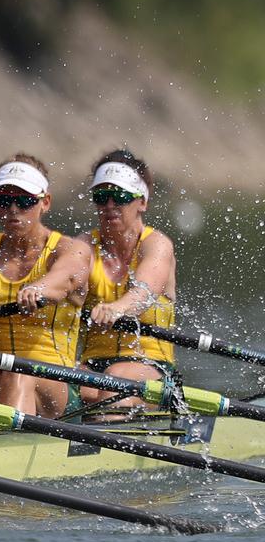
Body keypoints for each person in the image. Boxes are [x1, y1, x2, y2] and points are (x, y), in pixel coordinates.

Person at [0, 155, 91, 418]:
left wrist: (39, 290)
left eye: (24, 200)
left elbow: (66, 278)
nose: (13, 209)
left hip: (54, 380)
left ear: (45, 202)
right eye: (3, 199)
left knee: (17, 374)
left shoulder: (70, 250)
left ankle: (7, 450)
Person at [77, 150, 177, 407]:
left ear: (142, 201)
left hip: (150, 364)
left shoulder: (157, 245)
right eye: (101, 197)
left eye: (120, 197)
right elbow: (64, 282)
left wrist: (118, 308)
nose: (110, 205)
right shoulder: (83, 246)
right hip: (93, 364)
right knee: (67, 391)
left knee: (114, 383)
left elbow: (144, 292)